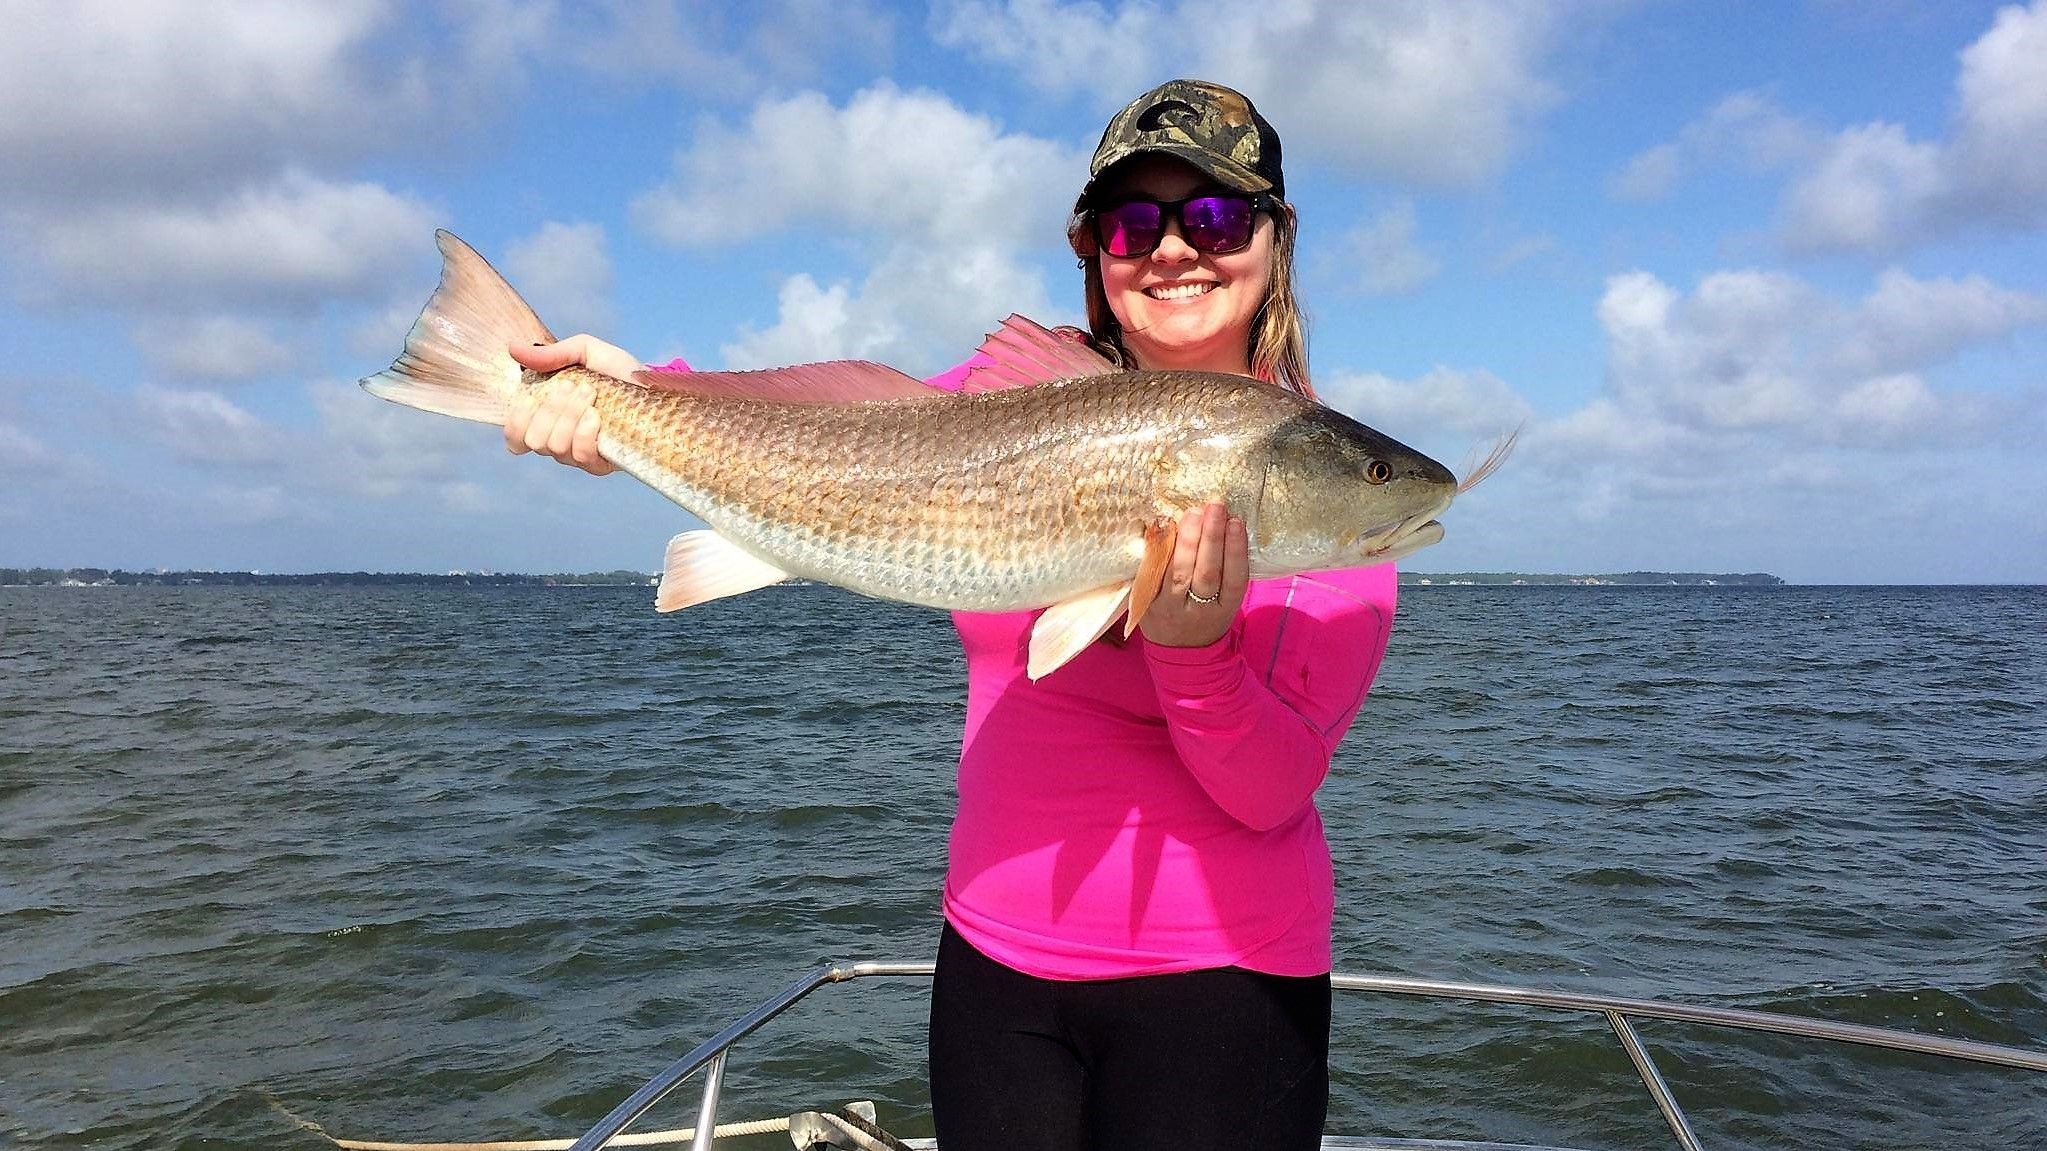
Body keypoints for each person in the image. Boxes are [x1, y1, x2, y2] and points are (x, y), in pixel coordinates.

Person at [506, 80, 1398, 1151]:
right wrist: (634, 391)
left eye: (1212, 216)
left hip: (1221, 983)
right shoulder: (998, 392)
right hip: (991, 963)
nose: (1171, 250)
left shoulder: (1333, 494)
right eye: (1134, 221)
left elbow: (1268, 790)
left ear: (1274, 236)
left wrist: (1192, 652)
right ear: (1093, 246)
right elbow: (834, 430)